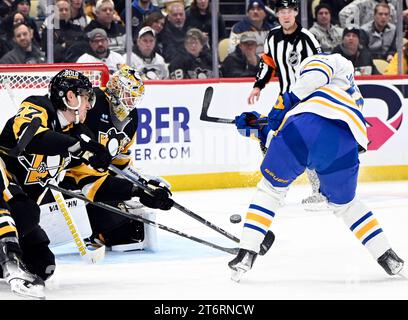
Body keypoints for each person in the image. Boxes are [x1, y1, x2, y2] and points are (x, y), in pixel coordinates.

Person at [229, 53, 405, 281]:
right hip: (344, 143)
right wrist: (262, 128)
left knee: (270, 191)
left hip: (302, 129)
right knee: (348, 206)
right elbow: (313, 132)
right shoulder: (353, 98)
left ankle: (247, 252)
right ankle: (387, 256)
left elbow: (302, 117)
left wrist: (281, 106)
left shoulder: (329, 61)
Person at [0, 69, 112, 299]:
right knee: (16, 202)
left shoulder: (77, 134)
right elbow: (30, 139)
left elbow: (95, 183)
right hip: (3, 187)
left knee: (43, 264)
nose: (89, 105)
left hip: (22, 207)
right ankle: (9, 261)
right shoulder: (37, 106)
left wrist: (140, 193)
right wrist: (78, 147)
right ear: (70, 97)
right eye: (86, 96)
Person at [60, 65, 173, 251]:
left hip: (99, 182)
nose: (131, 102)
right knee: (118, 231)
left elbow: (121, 163)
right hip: (72, 179)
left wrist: (145, 183)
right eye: (129, 95)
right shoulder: (91, 102)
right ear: (115, 87)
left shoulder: (132, 119)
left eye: (135, 98)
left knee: (130, 234)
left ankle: (100, 229)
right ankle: (92, 231)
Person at [246, 0, 324, 210]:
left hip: (309, 101)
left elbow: (322, 66)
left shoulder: (307, 38)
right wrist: (258, 85)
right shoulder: (272, 36)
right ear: (278, 15)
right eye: (282, 12)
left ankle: (319, 191)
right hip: (285, 99)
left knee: (308, 145)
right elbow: (268, 63)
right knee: (270, 137)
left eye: (289, 11)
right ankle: (276, 191)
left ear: (296, 13)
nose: (286, 15)